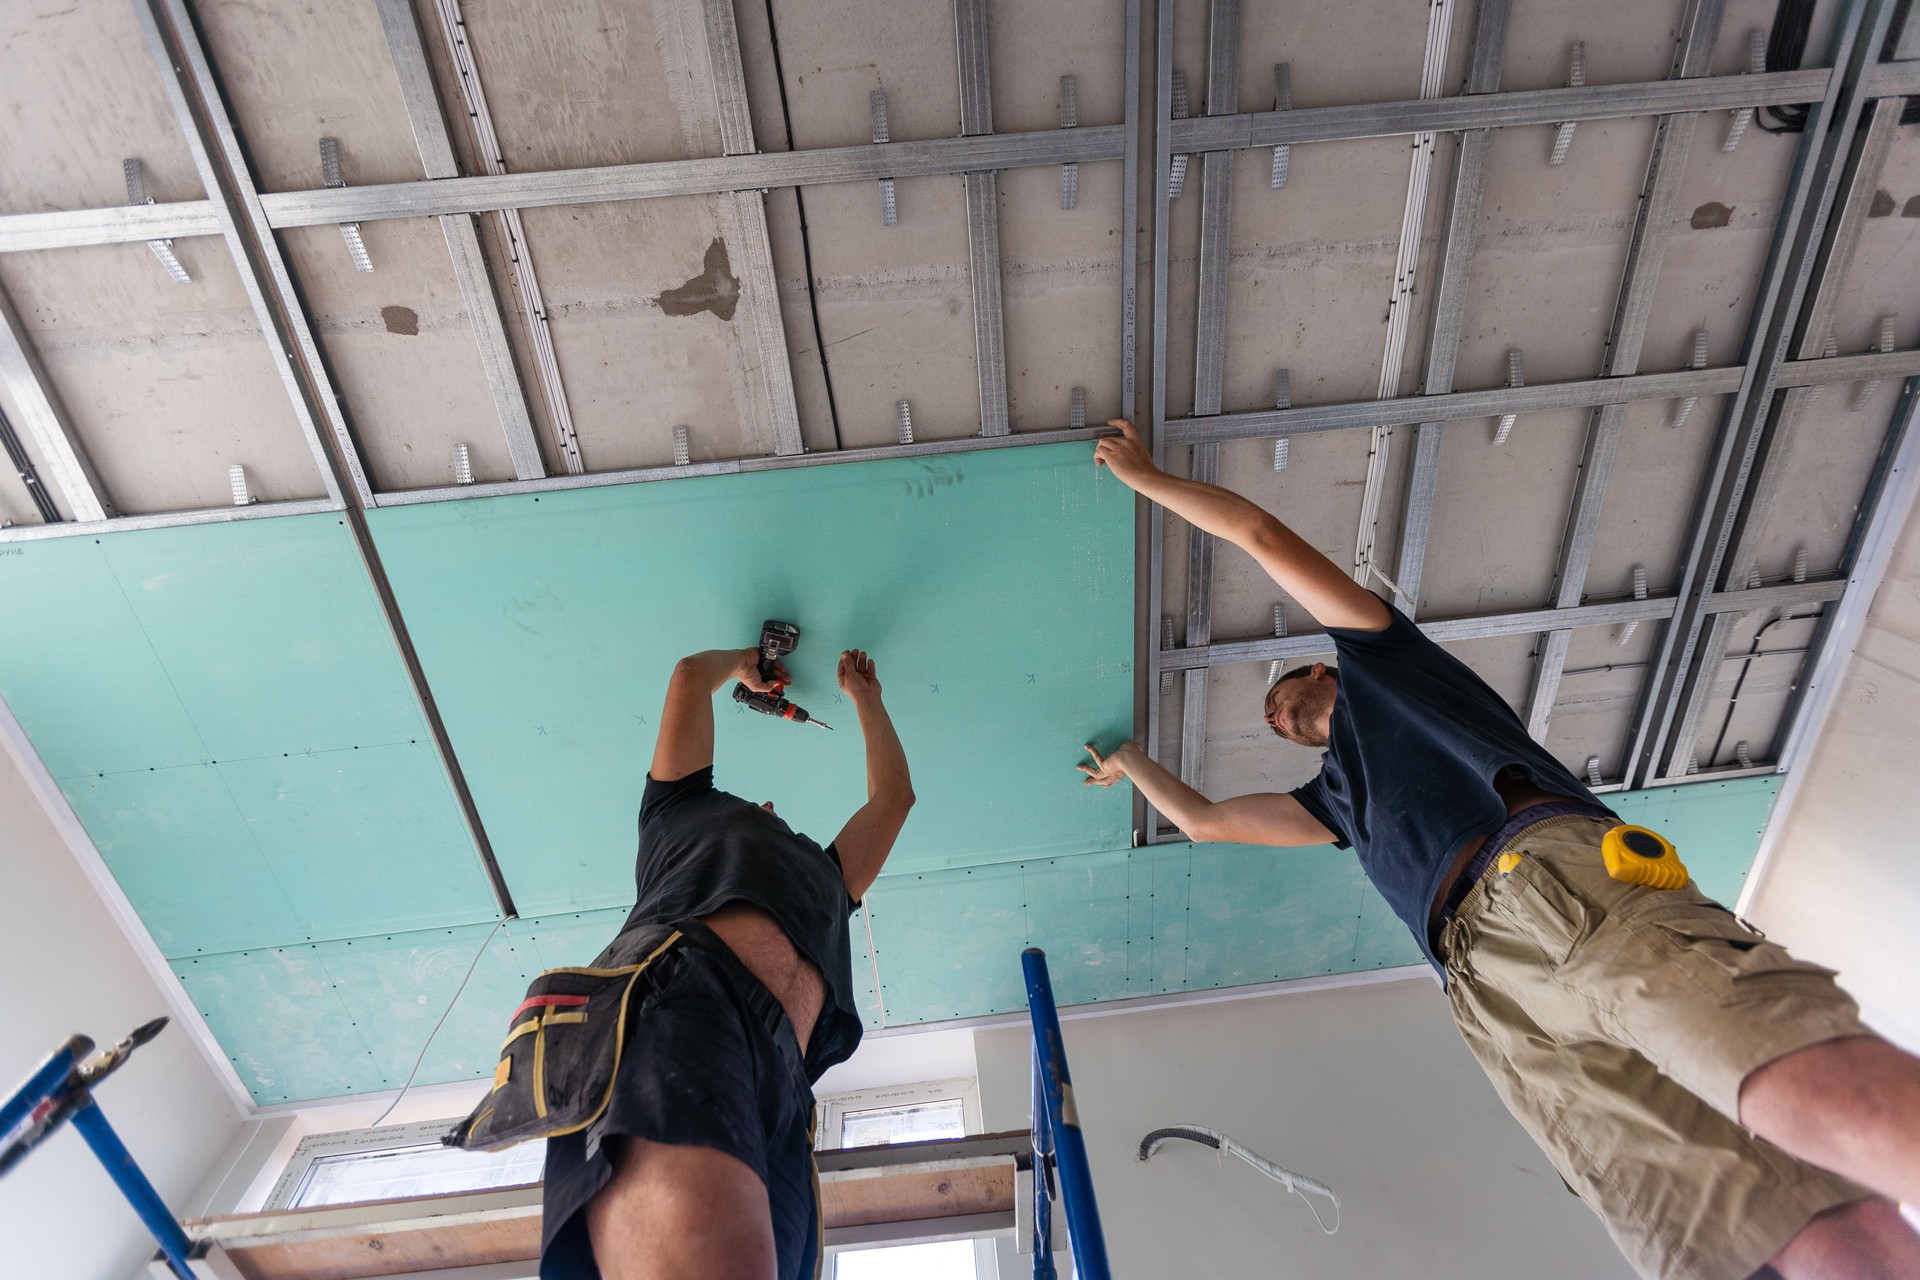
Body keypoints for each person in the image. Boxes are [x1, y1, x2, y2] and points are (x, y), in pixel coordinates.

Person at [1078, 418, 1920, 1280]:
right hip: (1489, 1001)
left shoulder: (1385, 662)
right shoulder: (1334, 802)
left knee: (1781, 1075)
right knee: (1721, 1231)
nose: (1273, 710)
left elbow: (1256, 535)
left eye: (1283, 687)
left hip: (1553, 881)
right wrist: (1134, 763)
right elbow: (1208, 821)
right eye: (1268, 716)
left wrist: (1144, 478)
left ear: (1322, 673)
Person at [450, 644, 913, 1280]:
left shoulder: (783, 862)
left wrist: (751, 665)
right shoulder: (697, 818)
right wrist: (867, 697)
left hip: (686, 1005)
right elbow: (896, 801)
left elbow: (693, 675)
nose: (765, 809)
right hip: (780, 1092)